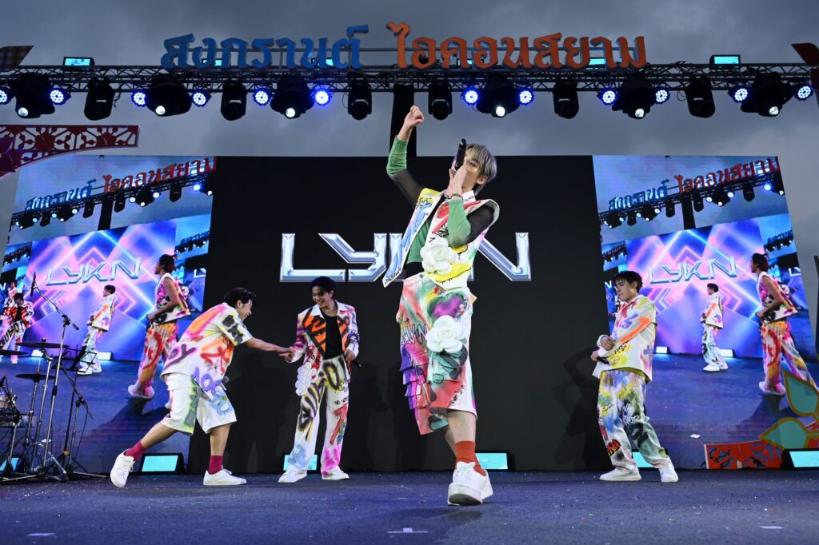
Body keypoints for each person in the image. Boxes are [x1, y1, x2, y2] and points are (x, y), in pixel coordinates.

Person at [383, 105, 500, 506]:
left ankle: (464, 468)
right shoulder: (429, 201)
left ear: (481, 178)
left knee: (452, 377)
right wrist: (405, 129)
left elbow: (458, 237)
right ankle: (474, 469)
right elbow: (395, 169)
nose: (463, 166)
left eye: (472, 164)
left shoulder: (483, 207)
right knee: (427, 395)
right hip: (413, 296)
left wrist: (455, 196)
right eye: (462, 160)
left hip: (449, 297)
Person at [109, 288, 288, 488]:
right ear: (239, 303)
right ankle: (128, 456)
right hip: (188, 369)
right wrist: (283, 350)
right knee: (179, 419)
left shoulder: (216, 313)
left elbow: (207, 345)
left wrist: (219, 375)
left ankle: (215, 472)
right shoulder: (226, 312)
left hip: (203, 374)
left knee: (223, 416)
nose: (250, 312)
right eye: (249, 307)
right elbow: (252, 343)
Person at [591, 270, 678, 483]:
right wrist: (601, 340)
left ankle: (663, 464)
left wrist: (600, 350)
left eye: (621, 284)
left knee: (633, 417)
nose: (617, 289)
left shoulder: (645, 304)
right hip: (610, 368)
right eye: (616, 286)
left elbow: (625, 334)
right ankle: (625, 466)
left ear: (635, 284)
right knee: (607, 419)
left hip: (631, 366)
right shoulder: (622, 310)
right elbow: (612, 337)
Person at [278, 277, 360, 483]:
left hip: (339, 368)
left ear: (331, 293)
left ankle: (331, 467)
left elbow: (354, 336)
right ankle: (297, 468)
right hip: (314, 368)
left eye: (321, 294)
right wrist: (292, 355)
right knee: (307, 417)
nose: (317, 298)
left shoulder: (348, 311)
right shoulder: (305, 316)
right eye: (314, 295)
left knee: (338, 418)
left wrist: (353, 350)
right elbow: (300, 343)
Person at [751, 253, 816, 395]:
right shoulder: (766, 277)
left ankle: (771, 386)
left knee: (772, 356)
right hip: (779, 322)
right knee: (792, 355)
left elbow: (779, 299)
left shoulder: (764, 278)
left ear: (756, 264)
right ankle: (808, 387)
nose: (749, 265)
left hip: (773, 323)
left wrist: (763, 311)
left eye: (751, 262)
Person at [128, 254, 190, 399]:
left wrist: (154, 313)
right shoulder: (168, 279)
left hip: (162, 326)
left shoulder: (166, 279)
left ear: (161, 265)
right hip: (168, 326)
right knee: (171, 360)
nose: (154, 266)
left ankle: (139, 388)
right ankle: (176, 395)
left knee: (151, 358)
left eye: (156, 263)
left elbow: (175, 301)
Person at [78, 284, 117, 375]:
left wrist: (93, 318)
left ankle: (87, 367)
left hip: (97, 325)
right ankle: (96, 366)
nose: (103, 292)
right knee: (91, 345)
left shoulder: (109, 299)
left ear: (108, 291)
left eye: (104, 290)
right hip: (99, 325)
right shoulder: (109, 300)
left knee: (88, 345)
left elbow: (103, 310)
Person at [1, 284, 33, 365]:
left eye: (18, 301)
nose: (16, 302)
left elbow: (30, 314)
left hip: (21, 325)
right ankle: (0, 355)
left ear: (21, 299)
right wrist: (4, 316)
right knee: (5, 340)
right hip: (11, 324)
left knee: (17, 342)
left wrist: (25, 316)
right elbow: (6, 313)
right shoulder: (12, 303)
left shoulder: (28, 304)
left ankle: (14, 358)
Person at [701, 283, 728, 373]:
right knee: (711, 343)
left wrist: (704, 316)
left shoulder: (714, 297)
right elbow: (720, 309)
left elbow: (712, 308)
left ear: (712, 289)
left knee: (708, 342)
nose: (707, 290)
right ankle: (721, 363)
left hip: (711, 322)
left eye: (708, 289)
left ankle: (713, 364)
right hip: (713, 322)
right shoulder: (717, 297)